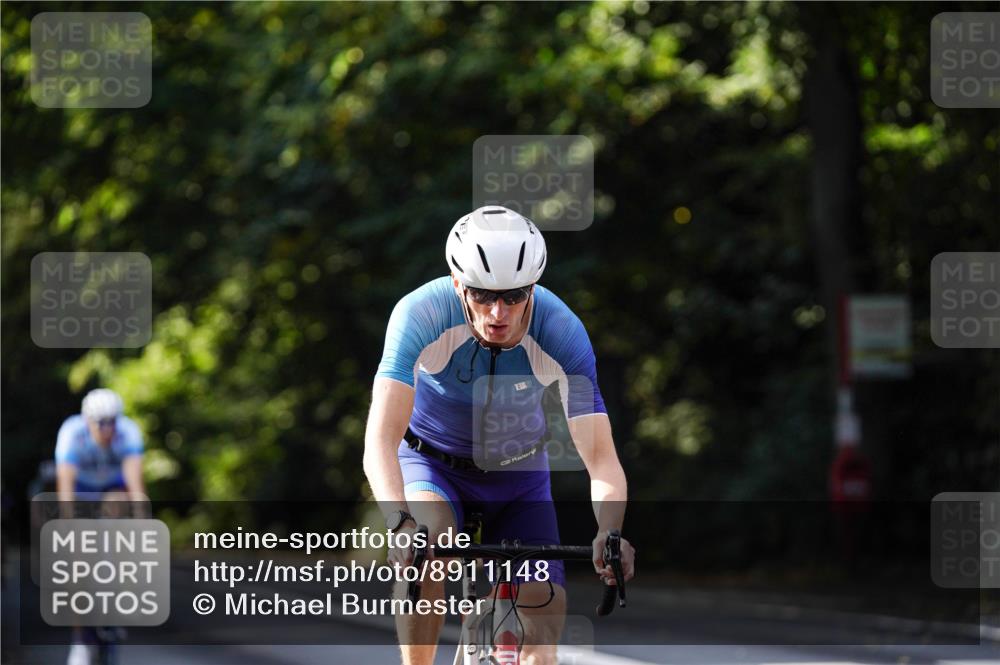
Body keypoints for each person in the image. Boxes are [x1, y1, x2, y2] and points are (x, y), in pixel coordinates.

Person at [364, 206, 635, 665]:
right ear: (457, 284)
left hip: (520, 475)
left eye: (513, 296)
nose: (497, 312)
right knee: (429, 551)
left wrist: (610, 533)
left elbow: (602, 459)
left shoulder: (560, 330)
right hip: (433, 465)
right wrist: (399, 522)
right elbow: (379, 442)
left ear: (532, 287)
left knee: (542, 643)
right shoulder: (420, 314)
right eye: (482, 294)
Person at [55, 388, 145, 665]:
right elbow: (66, 488)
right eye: (101, 422)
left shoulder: (128, 433)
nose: (107, 428)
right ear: (88, 421)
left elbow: (135, 485)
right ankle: (81, 640)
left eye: (112, 421)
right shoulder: (71, 434)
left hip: (111, 490)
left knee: (120, 505)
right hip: (82, 491)